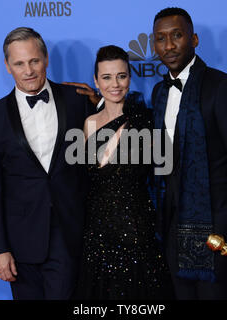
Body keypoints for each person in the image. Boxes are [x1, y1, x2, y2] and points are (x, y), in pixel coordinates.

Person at [151, 8, 227, 299]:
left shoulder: (224, 89)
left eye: (177, 35)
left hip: (218, 231)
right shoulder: (159, 93)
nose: (169, 45)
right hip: (173, 232)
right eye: (161, 39)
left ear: (194, 39)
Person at [0, 27, 98, 300]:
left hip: (68, 235)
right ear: (8, 67)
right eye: (19, 63)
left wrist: (98, 101)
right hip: (19, 242)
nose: (28, 70)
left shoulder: (77, 101)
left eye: (34, 61)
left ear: (46, 59)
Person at [75, 45, 173, 299]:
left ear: (130, 77)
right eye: (106, 77)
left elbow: (165, 176)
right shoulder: (88, 124)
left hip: (137, 236)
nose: (115, 84)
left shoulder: (147, 122)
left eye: (121, 76)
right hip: (97, 236)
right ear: (96, 81)